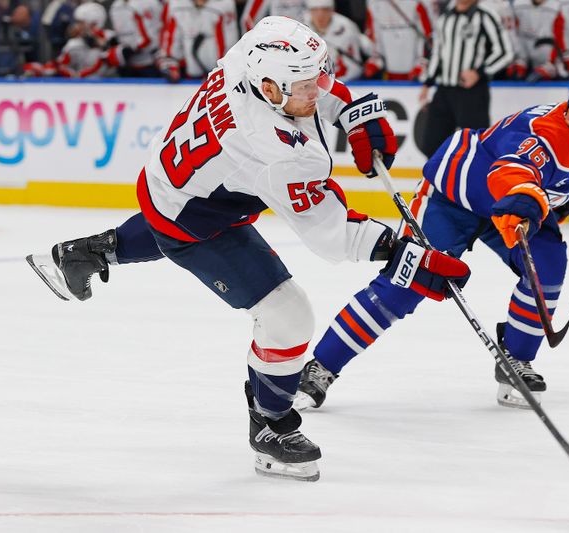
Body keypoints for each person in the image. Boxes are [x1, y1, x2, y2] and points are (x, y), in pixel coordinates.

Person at [26, 17, 470, 481]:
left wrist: (355, 113)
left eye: (320, 75)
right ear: (271, 91)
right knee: (288, 314)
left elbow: (315, 86)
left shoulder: (257, 49)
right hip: (194, 214)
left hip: (171, 178)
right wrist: (405, 256)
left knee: (173, 222)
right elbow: (333, 235)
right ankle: (270, 423)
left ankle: (80, 255)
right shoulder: (277, 151)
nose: (319, 88)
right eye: (305, 85)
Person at [295, 71, 569, 411]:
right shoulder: (544, 132)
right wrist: (526, 199)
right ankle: (321, 367)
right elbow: (511, 170)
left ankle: (517, 361)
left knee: (547, 264)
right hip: (452, 197)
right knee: (406, 281)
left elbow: (560, 189)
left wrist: (544, 207)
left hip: (508, 206)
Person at [418, 0, 513, 158]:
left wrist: (479, 72)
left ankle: (475, 182)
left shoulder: (485, 16)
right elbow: (438, 53)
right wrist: (428, 83)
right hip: (444, 90)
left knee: (476, 146)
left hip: (472, 93)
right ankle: (442, 181)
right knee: (432, 145)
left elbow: (505, 52)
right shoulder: (445, 17)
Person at [158, 0, 238, 82]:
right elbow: (171, 41)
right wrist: (171, 66)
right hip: (190, 74)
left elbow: (230, 40)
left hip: (219, 75)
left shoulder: (225, 4)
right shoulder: (176, 4)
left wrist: (223, 71)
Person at [304, 0, 378, 81]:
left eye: (325, 10)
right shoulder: (302, 30)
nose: (320, 15)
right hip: (318, 85)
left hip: (353, 82)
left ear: (332, 10)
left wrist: (373, 63)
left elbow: (371, 49)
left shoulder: (347, 26)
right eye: (315, 10)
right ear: (309, 11)